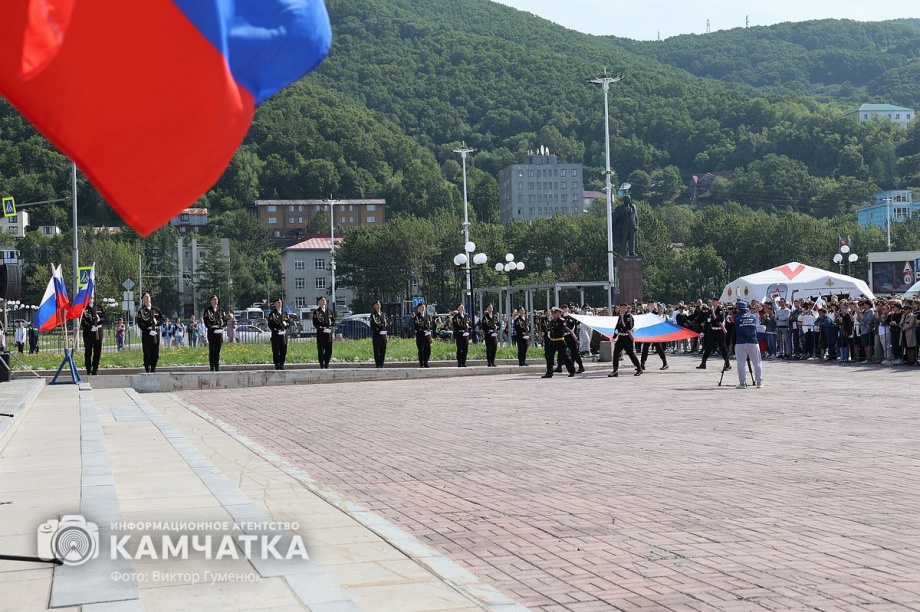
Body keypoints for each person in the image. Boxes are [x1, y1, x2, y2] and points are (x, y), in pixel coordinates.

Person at [732, 301, 763, 389]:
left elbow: (728, 319)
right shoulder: (753, 316)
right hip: (752, 340)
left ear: (738, 308)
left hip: (740, 341)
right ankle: (759, 382)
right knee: (757, 362)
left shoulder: (735, 317)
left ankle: (742, 383)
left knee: (741, 363)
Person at [608, 303, 642, 377]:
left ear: (626, 308)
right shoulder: (620, 317)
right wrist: (614, 336)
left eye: (624, 307)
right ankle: (615, 370)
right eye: (621, 307)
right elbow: (617, 326)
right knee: (616, 353)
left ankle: (639, 368)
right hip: (621, 337)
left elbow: (629, 326)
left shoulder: (629, 316)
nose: (622, 309)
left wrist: (620, 329)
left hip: (627, 338)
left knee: (631, 354)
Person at [697, 297, 730, 371]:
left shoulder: (721, 310)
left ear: (718, 302)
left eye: (715, 301)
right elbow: (707, 321)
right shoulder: (710, 310)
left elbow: (720, 319)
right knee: (708, 348)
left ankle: (727, 364)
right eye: (712, 301)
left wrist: (713, 319)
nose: (713, 303)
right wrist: (704, 331)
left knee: (722, 348)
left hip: (719, 331)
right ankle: (703, 363)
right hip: (712, 331)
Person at [542, 306, 575, 378]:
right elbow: (549, 329)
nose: (553, 314)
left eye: (555, 312)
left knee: (565, 357)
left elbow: (561, 331)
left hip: (560, 341)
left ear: (559, 313)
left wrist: (553, 332)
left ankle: (572, 371)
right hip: (552, 341)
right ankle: (549, 372)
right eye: (553, 312)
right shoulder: (552, 321)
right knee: (549, 357)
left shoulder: (562, 321)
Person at [136, 291, 163, 373]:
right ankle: (147, 367)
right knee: (147, 351)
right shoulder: (141, 311)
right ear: (143, 300)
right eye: (145, 297)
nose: (147, 298)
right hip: (147, 333)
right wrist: (148, 331)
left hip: (156, 332)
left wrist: (157, 323)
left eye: (148, 296)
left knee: (155, 350)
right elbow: (140, 323)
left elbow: (162, 319)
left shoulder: (156, 310)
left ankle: (154, 367)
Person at [639, 300, 669, 371]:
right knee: (645, 348)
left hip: (655, 334)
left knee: (659, 348)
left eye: (652, 305)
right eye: (649, 305)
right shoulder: (645, 313)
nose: (650, 306)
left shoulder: (656, 313)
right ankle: (642, 364)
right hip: (648, 333)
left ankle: (665, 363)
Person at [80, 295, 106, 375]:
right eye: (89, 298)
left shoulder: (99, 306)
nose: (91, 299)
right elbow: (82, 321)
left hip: (98, 330)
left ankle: (95, 368)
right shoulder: (84, 308)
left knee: (97, 350)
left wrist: (99, 320)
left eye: (92, 298)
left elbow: (104, 317)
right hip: (88, 332)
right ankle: (88, 369)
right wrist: (90, 327)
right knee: (88, 350)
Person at [557, 304, 585, 374]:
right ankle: (559, 366)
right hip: (563, 336)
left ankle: (581, 366)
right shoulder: (561, 317)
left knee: (574, 352)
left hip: (570, 336)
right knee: (561, 352)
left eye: (566, 308)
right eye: (563, 308)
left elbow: (571, 326)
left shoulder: (571, 316)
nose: (564, 309)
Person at [202, 294, 226, 371]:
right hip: (212, 332)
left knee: (218, 350)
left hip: (219, 332)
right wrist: (211, 328)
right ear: (211, 301)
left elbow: (225, 320)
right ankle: (212, 366)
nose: (216, 301)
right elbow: (206, 321)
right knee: (212, 349)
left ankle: (217, 365)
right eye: (214, 299)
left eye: (216, 299)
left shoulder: (220, 310)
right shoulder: (208, 310)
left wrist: (222, 325)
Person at [267, 297, 290, 370]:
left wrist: (286, 325)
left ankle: (282, 364)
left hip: (283, 334)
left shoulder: (285, 313)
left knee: (284, 350)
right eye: (278, 302)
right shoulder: (272, 314)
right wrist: (276, 330)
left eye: (280, 302)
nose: (280, 304)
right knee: (276, 350)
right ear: (275, 304)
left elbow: (289, 322)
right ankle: (277, 364)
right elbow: (270, 324)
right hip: (276, 335)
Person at [312, 296, 334, 369]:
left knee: (329, 349)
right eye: (322, 300)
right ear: (319, 302)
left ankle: (327, 363)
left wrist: (330, 327)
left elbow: (333, 320)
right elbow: (315, 323)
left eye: (324, 300)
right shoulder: (317, 312)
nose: (323, 301)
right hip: (321, 333)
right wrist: (322, 328)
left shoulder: (329, 311)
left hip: (328, 333)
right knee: (321, 349)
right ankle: (322, 364)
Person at [413, 301, 432, 368]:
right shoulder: (417, 317)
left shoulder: (427, 316)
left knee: (428, 350)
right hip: (421, 336)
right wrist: (423, 331)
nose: (423, 308)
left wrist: (430, 330)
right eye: (421, 307)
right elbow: (416, 327)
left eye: (424, 307)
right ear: (418, 308)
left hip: (427, 336)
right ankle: (422, 364)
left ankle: (426, 362)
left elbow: (430, 325)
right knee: (421, 350)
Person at [369, 300, 388, 367]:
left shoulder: (384, 314)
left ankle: (382, 364)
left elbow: (387, 323)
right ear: (374, 306)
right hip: (377, 335)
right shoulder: (373, 315)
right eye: (376, 304)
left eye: (379, 304)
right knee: (377, 351)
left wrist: (386, 329)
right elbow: (373, 326)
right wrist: (379, 331)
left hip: (383, 335)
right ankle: (377, 365)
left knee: (383, 349)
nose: (378, 306)